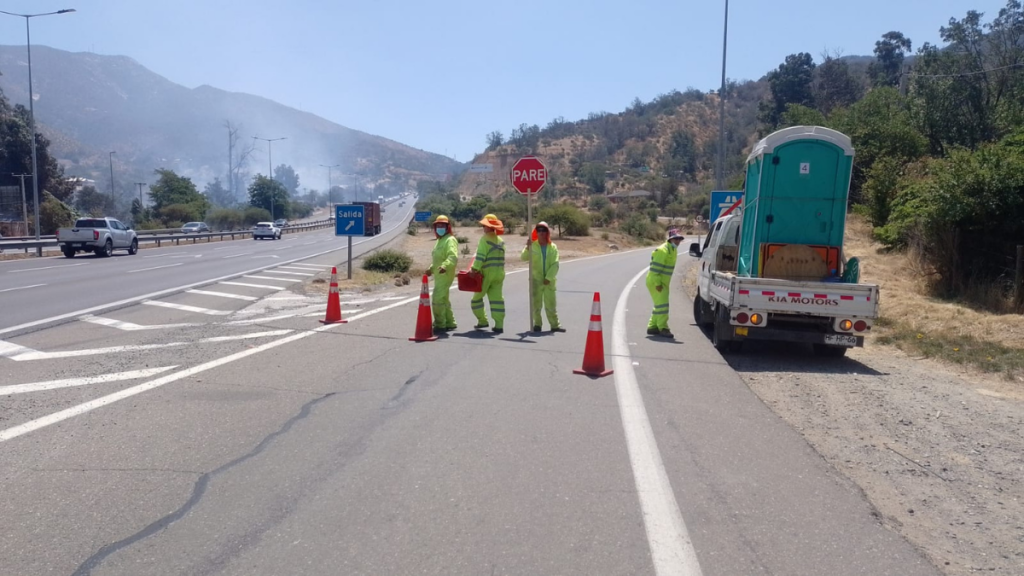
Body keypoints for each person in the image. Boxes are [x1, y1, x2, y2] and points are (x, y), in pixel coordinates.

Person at [521, 221, 563, 333]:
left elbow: (555, 264)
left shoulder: (553, 247)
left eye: (543, 230)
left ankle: (555, 325)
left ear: (547, 232)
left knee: (551, 304)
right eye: (539, 230)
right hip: (535, 280)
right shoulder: (532, 245)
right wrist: (527, 247)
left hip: (549, 281)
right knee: (536, 304)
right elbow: (523, 258)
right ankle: (537, 325)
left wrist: (548, 278)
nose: (541, 232)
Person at [470, 213, 506, 334]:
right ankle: (499, 325)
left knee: (476, 299)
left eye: (484, 225)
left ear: (488, 226)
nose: (483, 228)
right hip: (499, 274)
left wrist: (474, 269)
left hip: (487, 274)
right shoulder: (501, 241)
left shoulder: (484, 239)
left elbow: (480, 257)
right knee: (497, 300)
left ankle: (482, 320)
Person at [646, 228, 685, 338]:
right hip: (656, 282)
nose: (678, 241)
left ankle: (652, 326)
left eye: (679, 239)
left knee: (659, 305)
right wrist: (658, 284)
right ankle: (663, 328)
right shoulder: (662, 250)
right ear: (670, 239)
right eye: (675, 239)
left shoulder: (672, 250)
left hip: (663, 282)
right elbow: (655, 270)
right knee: (663, 306)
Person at [425, 215, 458, 333]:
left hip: (445, 273)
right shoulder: (439, 241)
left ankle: (440, 324)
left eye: (442, 225)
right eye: (438, 225)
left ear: (447, 227)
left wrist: (445, 266)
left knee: (437, 299)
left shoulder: (450, 240)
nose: (440, 227)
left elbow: (452, 256)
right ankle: (450, 322)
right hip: (439, 274)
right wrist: (431, 269)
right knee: (443, 299)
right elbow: (438, 259)